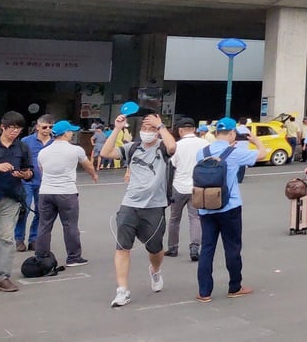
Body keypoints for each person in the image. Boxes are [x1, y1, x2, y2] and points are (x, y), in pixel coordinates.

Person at [99, 113, 177, 307]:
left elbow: (173, 147)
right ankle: (122, 290)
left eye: (151, 129)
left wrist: (160, 127)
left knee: (155, 248)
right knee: (123, 246)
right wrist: (117, 128)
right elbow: (105, 153)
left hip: (154, 206)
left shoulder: (161, 148)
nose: (147, 132)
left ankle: (155, 270)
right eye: (144, 128)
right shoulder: (132, 148)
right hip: (129, 205)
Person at [195, 117, 266, 302]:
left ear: (216, 132)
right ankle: (234, 286)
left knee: (207, 249)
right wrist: (255, 140)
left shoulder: (202, 152)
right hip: (229, 206)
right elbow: (262, 154)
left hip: (206, 206)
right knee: (232, 248)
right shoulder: (235, 153)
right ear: (233, 133)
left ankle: (204, 292)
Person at [35, 120, 98, 268]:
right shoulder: (75, 150)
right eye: (70, 131)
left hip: (46, 192)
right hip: (66, 192)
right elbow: (87, 164)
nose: (72, 134)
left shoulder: (43, 152)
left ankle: (41, 256)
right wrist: (93, 175)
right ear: (65, 133)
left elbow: (41, 170)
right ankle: (73, 257)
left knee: (44, 225)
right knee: (70, 225)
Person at [0, 111, 34, 292]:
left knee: (7, 238)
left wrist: (24, 174)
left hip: (12, 198)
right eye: (12, 128)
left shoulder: (22, 148)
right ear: (3, 127)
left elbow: (30, 171)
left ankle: (4, 277)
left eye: (18, 128)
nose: (15, 131)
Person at [168, 117, 209, 261]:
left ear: (180, 130)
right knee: (195, 218)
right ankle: (194, 247)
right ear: (194, 129)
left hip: (178, 186)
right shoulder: (205, 144)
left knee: (174, 218)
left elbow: (171, 167)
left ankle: (173, 247)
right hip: (197, 186)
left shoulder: (176, 145)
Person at [14, 114, 54, 251]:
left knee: (41, 212)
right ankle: (19, 238)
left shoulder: (54, 142)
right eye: (44, 127)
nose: (47, 129)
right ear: (37, 127)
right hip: (27, 180)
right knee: (24, 210)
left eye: (50, 127)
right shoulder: (26, 141)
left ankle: (34, 239)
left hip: (46, 182)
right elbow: (18, 158)